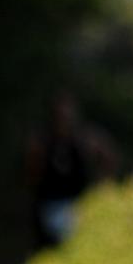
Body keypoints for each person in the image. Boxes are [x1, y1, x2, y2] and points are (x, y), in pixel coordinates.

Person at [27, 90, 119, 250]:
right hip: (51, 206)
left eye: (68, 113)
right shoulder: (43, 141)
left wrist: (103, 186)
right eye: (61, 113)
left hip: (80, 204)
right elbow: (32, 174)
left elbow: (109, 156)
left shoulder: (85, 138)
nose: (65, 118)